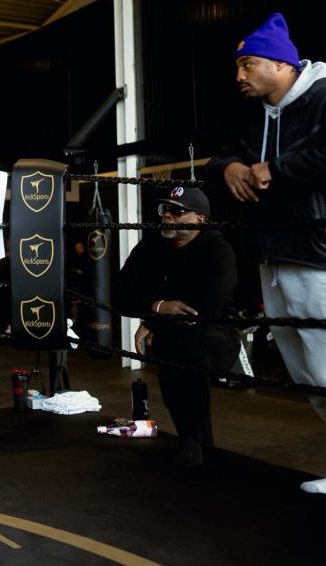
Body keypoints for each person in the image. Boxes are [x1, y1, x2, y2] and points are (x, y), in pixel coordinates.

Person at [206, 12, 326, 505]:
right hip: (276, 256)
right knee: (304, 373)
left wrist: (280, 169)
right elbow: (224, 153)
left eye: (248, 65)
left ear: (280, 64)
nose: (239, 76)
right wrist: (229, 166)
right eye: (237, 66)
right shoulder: (259, 114)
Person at [112, 185, 240, 468]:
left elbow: (203, 310)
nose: (167, 217)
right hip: (174, 335)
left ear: (200, 219)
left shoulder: (217, 249)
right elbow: (119, 294)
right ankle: (196, 442)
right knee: (173, 344)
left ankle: (192, 439)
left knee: (184, 342)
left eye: (177, 211)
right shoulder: (153, 245)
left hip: (218, 338)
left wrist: (151, 319)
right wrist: (158, 306)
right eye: (164, 210)